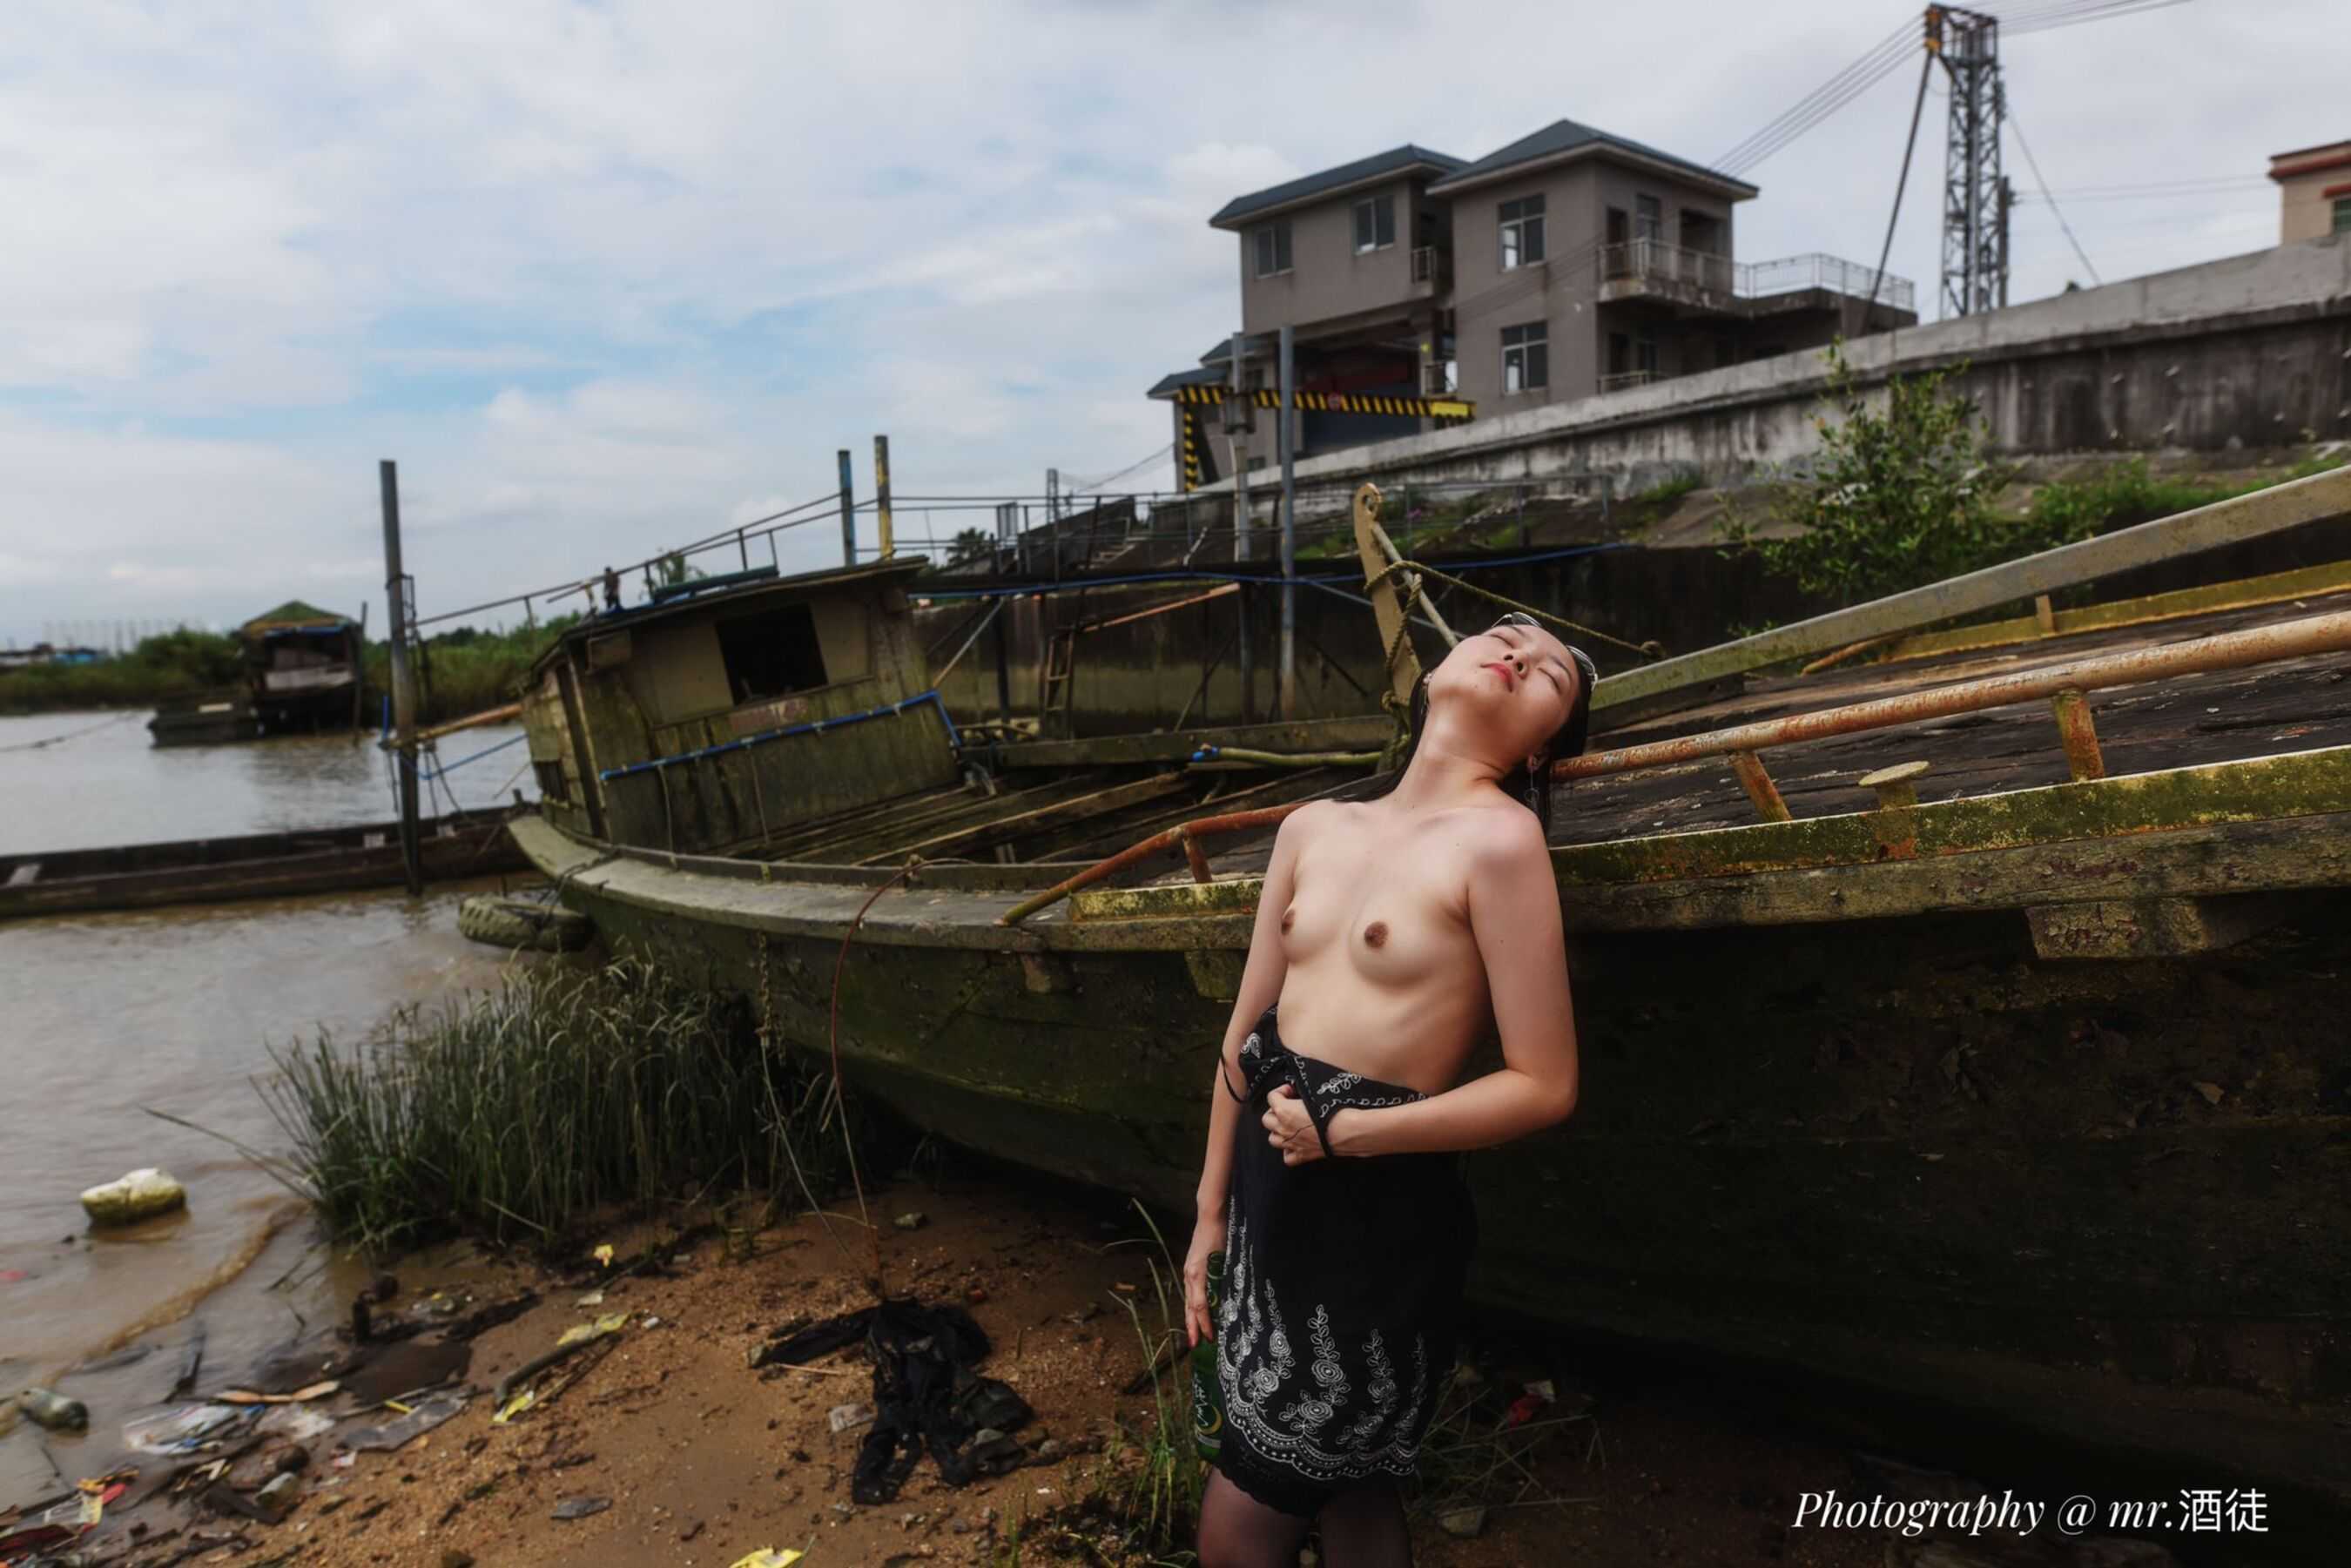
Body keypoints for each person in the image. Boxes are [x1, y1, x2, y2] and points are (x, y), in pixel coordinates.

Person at [1184, 611, 1596, 1566]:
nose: (1519, 653)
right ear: (1434, 669)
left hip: (1373, 1215)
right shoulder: (1311, 826)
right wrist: (1207, 1213)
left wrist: (1343, 1133)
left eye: (1550, 676)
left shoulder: (1502, 843)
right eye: (1507, 633)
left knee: (1239, 1530)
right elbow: (1243, 1040)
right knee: (1353, 1490)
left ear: (1542, 748)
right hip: (1266, 1196)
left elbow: (1546, 1083)